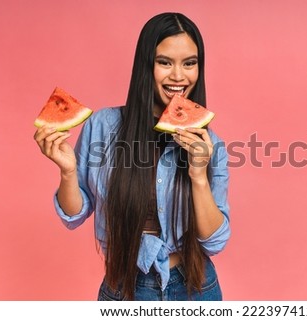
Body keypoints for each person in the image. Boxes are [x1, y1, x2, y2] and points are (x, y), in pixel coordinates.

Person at [33, 12, 230, 301]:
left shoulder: (210, 145)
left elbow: (215, 241)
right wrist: (68, 172)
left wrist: (198, 176)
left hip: (195, 287)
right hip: (124, 286)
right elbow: (75, 215)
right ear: (145, 65)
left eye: (190, 63)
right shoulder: (102, 126)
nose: (178, 75)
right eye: (165, 62)